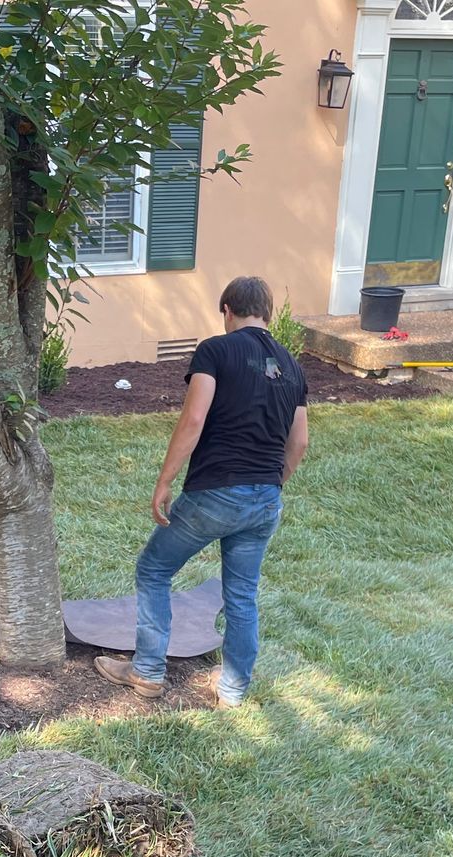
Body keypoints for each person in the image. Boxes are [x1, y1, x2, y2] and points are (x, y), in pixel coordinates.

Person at [95, 276, 309, 707]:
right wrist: (272, 481)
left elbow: (193, 420)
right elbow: (299, 441)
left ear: (227, 309)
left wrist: (165, 480)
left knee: (154, 569)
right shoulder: (292, 366)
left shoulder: (215, 350)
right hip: (267, 498)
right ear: (266, 312)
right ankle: (232, 690)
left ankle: (148, 671)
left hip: (215, 491)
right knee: (242, 593)